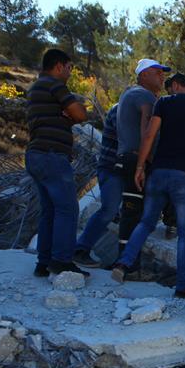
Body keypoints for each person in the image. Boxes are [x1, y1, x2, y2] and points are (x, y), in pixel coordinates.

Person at [111, 73, 185, 298]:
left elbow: (148, 137)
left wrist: (139, 167)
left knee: (145, 222)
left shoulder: (164, 103)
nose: (167, 92)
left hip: (159, 173)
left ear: (175, 85)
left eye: (169, 88)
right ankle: (184, 285)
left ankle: (123, 263)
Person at [25, 49, 89, 277]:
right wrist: (71, 111)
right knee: (68, 208)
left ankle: (43, 263)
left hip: (36, 155)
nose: (70, 73)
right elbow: (80, 114)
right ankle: (62, 261)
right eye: (70, 68)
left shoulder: (35, 88)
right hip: (52, 155)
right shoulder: (54, 85)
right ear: (59, 66)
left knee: (49, 211)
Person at [112, 58, 170, 269]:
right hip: (137, 159)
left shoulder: (129, 94)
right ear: (144, 74)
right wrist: (145, 162)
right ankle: (129, 267)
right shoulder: (144, 96)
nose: (162, 76)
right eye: (157, 72)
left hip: (128, 157)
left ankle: (125, 261)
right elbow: (148, 129)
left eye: (163, 73)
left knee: (132, 212)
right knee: (133, 213)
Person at [72, 103, 122, 267]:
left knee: (112, 211)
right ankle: (80, 249)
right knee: (109, 210)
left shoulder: (122, 108)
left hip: (114, 169)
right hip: (112, 169)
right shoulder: (121, 110)